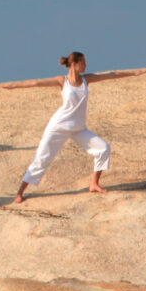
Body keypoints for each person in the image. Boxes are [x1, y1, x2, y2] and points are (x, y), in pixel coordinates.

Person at [12, 51, 114, 205]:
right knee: (42, 158)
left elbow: (111, 75)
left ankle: (94, 184)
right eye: (83, 62)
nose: (86, 65)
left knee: (103, 148)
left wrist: (135, 74)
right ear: (74, 64)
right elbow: (36, 82)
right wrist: (12, 86)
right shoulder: (63, 81)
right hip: (58, 126)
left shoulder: (87, 79)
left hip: (78, 128)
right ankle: (20, 193)